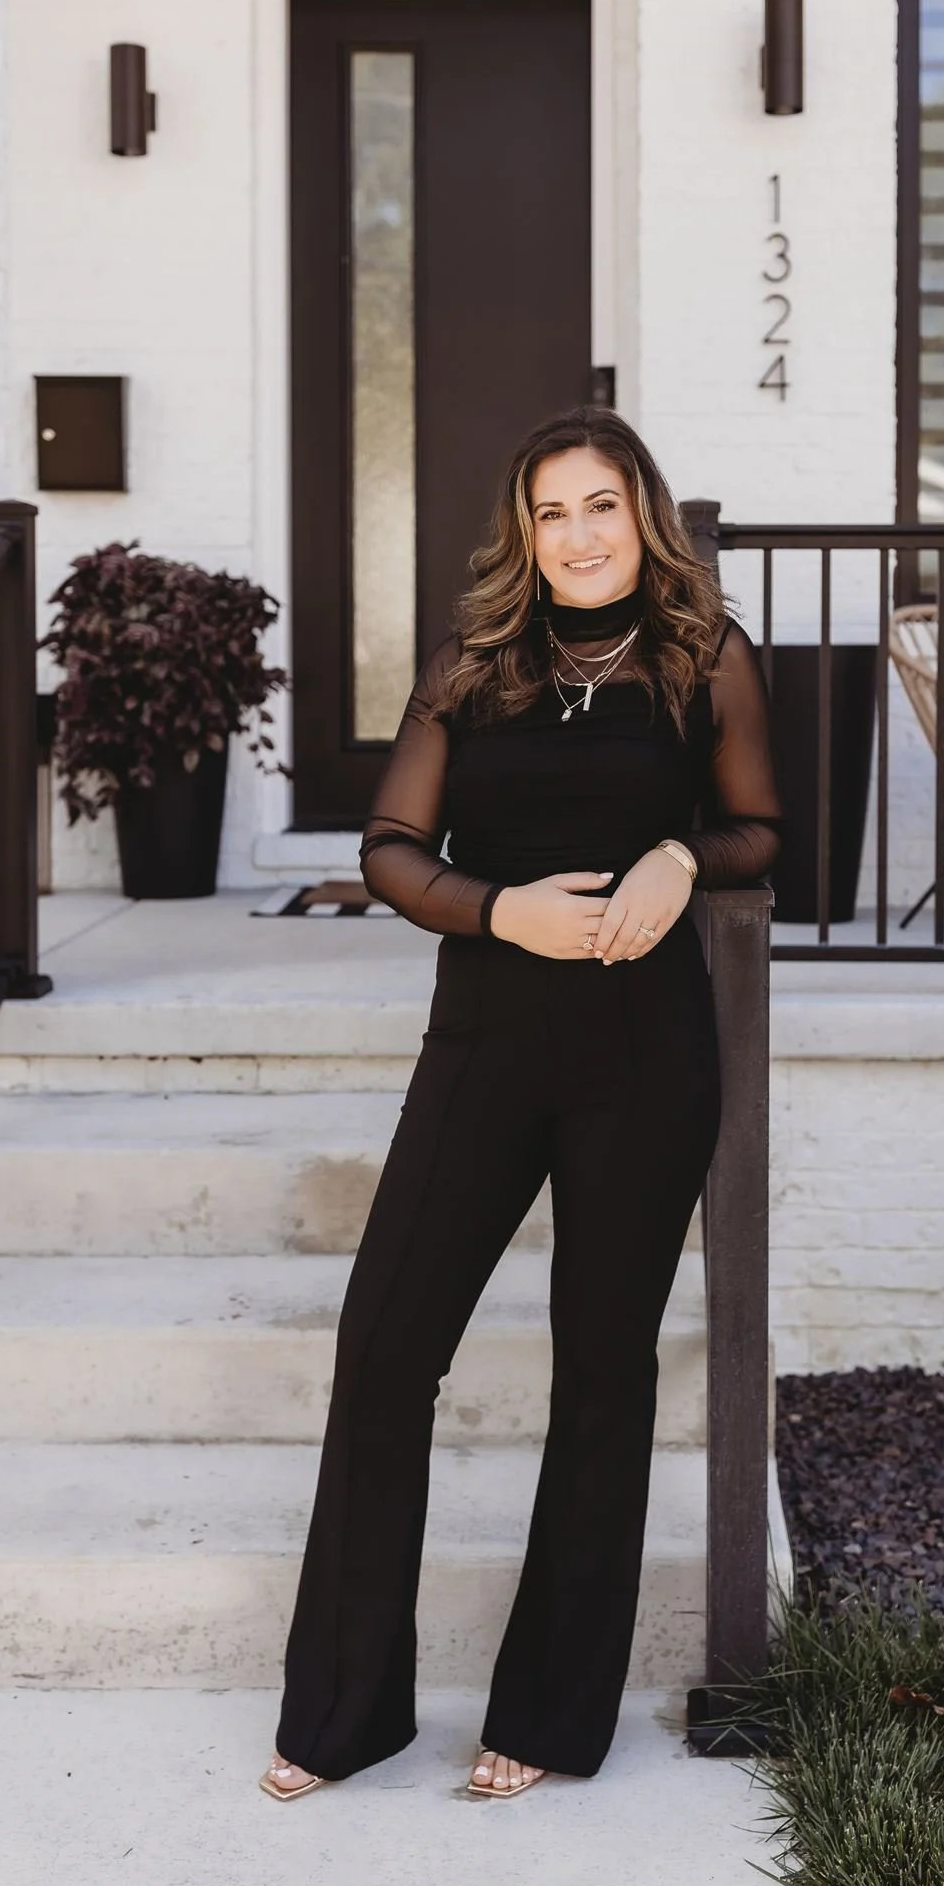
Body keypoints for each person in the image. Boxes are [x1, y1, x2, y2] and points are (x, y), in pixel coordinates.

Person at [261, 406, 781, 1804]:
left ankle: (550, 1715)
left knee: (601, 1376)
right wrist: (503, 912)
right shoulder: (476, 667)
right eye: (551, 514)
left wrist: (681, 854)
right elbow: (389, 849)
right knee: (384, 1350)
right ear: (525, 533)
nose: (579, 535)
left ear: (642, 511)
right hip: (487, 1037)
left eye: (600, 505)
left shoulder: (703, 661)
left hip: (646, 1060)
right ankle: (347, 1709)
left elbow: (761, 829)